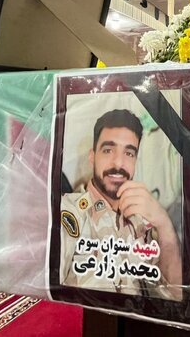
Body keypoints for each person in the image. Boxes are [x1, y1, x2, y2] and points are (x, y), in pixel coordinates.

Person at [60, 109, 182, 300]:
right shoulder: (68, 212)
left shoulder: (142, 221)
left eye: (129, 153)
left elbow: (176, 294)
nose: (118, 163)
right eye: (108, 150)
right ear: (92, 156)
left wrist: (164, 225)